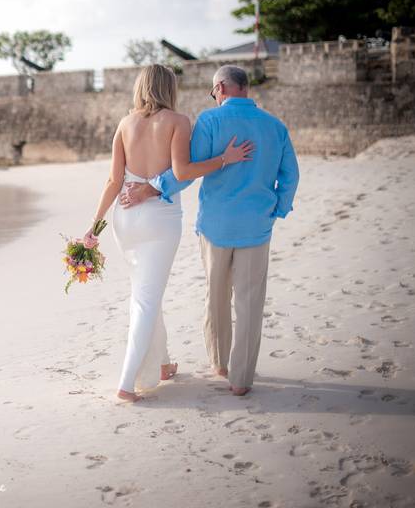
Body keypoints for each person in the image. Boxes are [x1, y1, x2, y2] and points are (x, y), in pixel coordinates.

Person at [120, 64, 300, 396]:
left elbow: (185, 170)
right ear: (245, 88)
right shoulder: (275, 127)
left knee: (216, 296)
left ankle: (219, 363)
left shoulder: (211, 121)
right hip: (257, 227)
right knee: (249, 302)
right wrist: (277, 209)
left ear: (220, 88)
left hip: (215, 225)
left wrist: (153, 188)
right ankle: (241, 380)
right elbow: (290, 176)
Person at [85, 64, 254, 402]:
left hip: (124, 219)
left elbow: (113, 182)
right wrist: (225, 158)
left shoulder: (125, 124)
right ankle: (126, 382)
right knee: (146, 299)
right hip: (160, 219)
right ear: (169, 88)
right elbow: (183, 171)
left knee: (147, 292)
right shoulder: (178, 122)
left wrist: (94, 227)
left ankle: (161, 366)